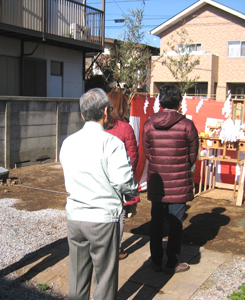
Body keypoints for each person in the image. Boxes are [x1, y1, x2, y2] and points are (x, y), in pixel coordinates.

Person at [59, 88, 138, 300]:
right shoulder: (111, 143)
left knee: (77, 275)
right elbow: (122, 181)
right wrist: (133, 191)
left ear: (83, 115)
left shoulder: (68, 142)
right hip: (103, 218)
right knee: (104, 277)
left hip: (75, 216)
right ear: (106, 112)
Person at [142, 83, 199, 275]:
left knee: (156, 222)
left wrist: (160, 164)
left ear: (160, 101)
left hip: (157, 181)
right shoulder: (187, 125)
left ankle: (156, 260)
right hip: (179, 182)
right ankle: (172, 262)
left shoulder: (149, 124)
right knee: (176, 223)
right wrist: (182, 168)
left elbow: (148, 152)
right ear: (179, 101)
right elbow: (193, 155)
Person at [105, 90, 140, 260]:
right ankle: (116, 249)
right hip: (119, 179)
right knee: (119, 215)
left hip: (100, 177)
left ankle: (101, 246)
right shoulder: (125, 128)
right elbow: (133, 157)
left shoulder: (100, 126)